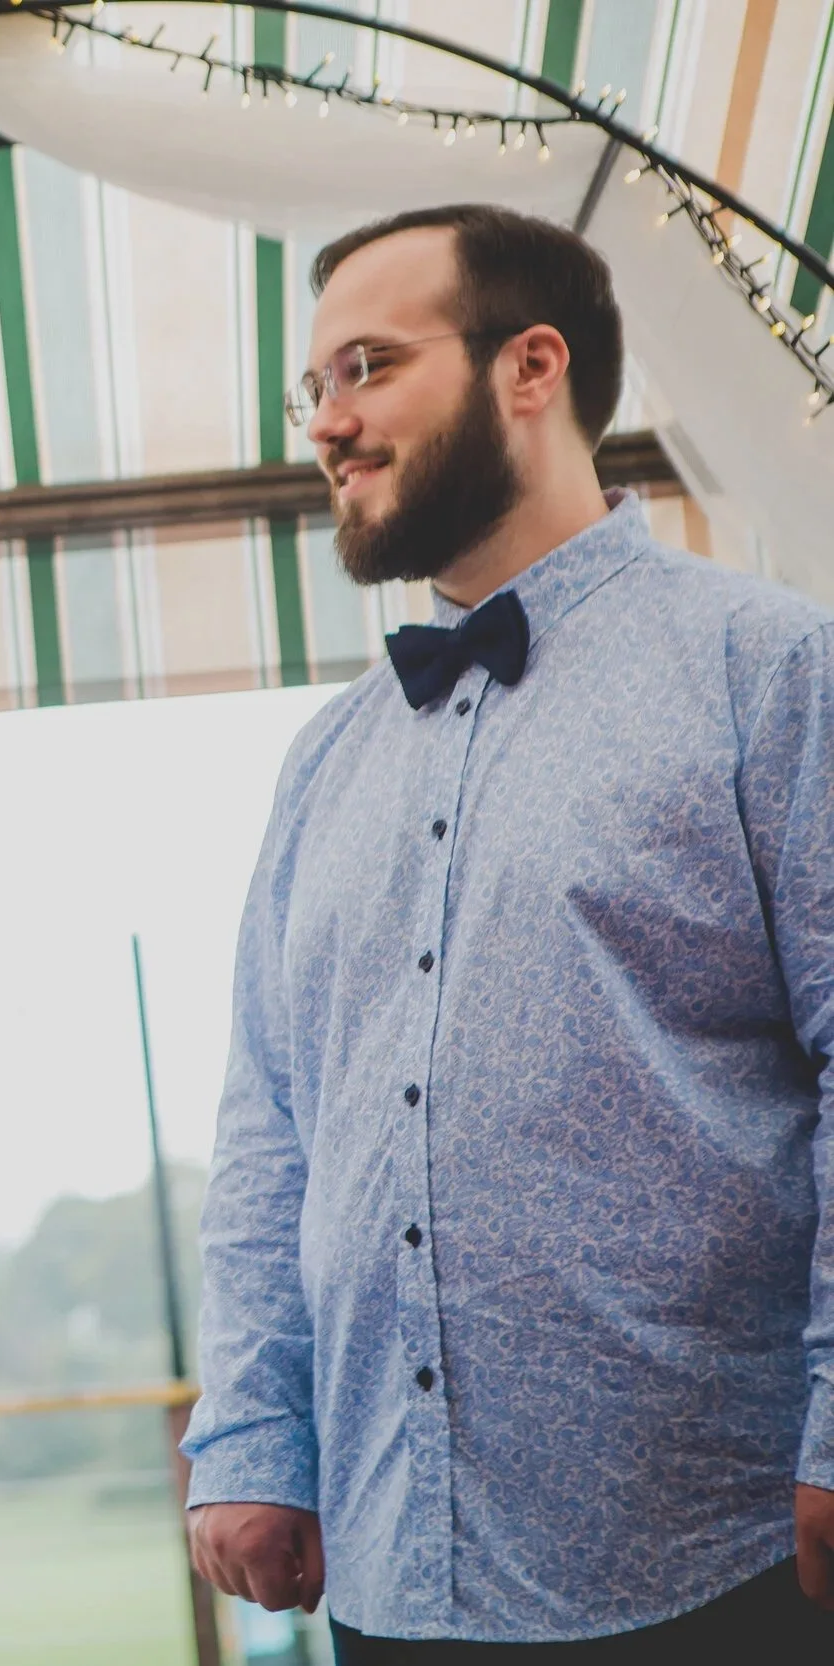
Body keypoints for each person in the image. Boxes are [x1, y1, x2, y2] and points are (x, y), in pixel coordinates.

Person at [181, 202, 834, 1661]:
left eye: (366, 367)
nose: (331, 425)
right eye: (316, 390)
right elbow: (271, 1122)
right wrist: (250, 1432)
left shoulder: (772, 671)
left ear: (529, 367)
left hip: (716, 1558)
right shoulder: (321, 764)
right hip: (387, 1570)